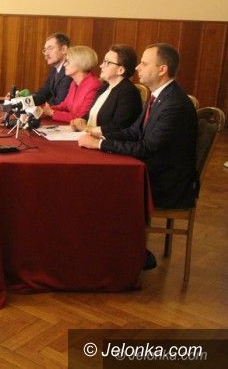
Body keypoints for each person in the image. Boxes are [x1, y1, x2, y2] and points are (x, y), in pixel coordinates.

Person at [79, 43, 198, 270]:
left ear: (162, 69)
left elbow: (147, 148)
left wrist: (101, 144)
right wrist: (99, 134)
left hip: (167, 184)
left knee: (102, 183)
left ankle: (128, 253)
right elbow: (135, 131)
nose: (138, 68)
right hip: (155, 170)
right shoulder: (159, 96)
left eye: (144, 63)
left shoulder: (174, 104)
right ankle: (110, 248)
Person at [70, 44, 143, 134]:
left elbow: (119, 127)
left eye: (107, 62)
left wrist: (87, 129)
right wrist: (81, 120)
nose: (101, 66)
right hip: (89, 137)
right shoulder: (104, 87)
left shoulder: (129, 92)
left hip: (107, 141)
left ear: (120, 70)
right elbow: (92, 115)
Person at [40, 45, 102, 123]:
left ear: (80, 63)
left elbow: (80, 117)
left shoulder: (93, 85)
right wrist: (45, 109)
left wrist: (52, 112)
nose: (64, 65)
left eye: (67, 61)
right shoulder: (74, 82)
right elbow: (65, 105)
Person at [32, 32, 73, 106]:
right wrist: (23, 100)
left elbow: (59, 102)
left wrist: (41, 109)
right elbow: (44, 93)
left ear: (64, 49)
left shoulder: (70, 71)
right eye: (45, 50)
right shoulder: (54, 69)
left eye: (50, 48)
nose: (46, 54)